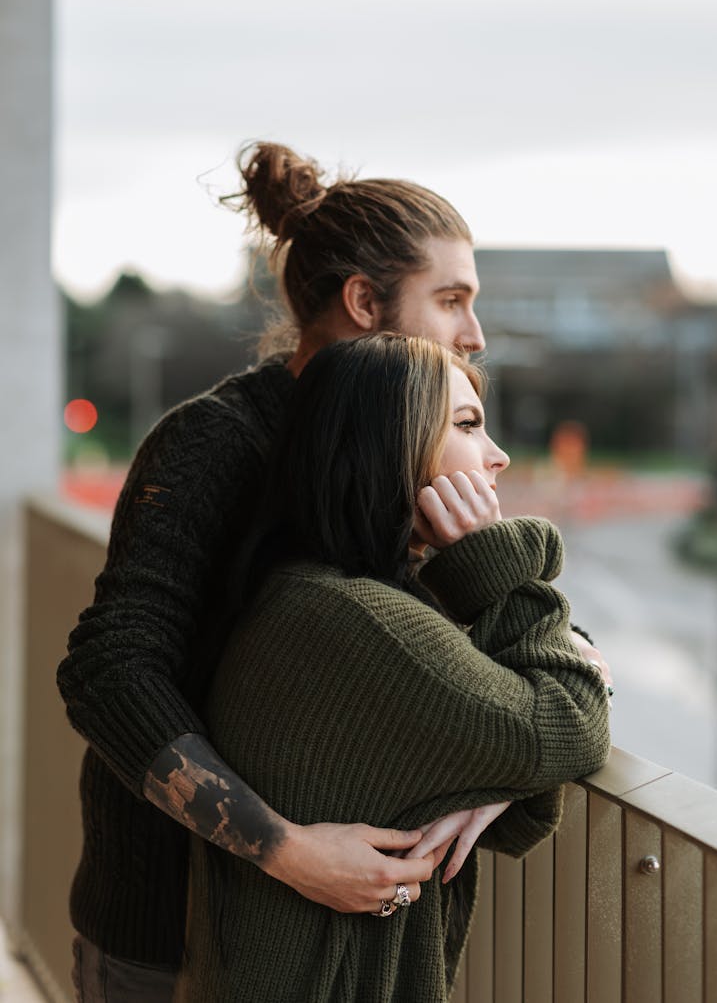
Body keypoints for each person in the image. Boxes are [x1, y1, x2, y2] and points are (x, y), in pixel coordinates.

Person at [57, 142, 611, 1001]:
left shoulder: (406, 452)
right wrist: (283, 847)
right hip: (169, 921)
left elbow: (524, 657)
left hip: (317, 937)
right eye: (452, 299)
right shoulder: (215, 442)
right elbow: (109, 669)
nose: (477, 334)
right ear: (364, 303)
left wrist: (503, 763)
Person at [175, 334, 611, 1003]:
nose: (498, 457)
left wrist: (509, 777)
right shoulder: (359, 621)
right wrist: (495, 565)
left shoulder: (313, 592)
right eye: (467, 425)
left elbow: (534, 748)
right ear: (391, 444)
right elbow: (567, 726)